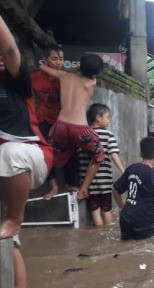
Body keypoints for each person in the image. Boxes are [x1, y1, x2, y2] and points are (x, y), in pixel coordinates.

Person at [0, 14, 53, 283]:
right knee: (10, 244)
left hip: (30, 158)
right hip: (5, 174)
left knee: (9, 153)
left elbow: (9, 49)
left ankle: (14, 217)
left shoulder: (18, 84)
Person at [40, 53, 105, 199]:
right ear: (95, 73)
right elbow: (92, 75)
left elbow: (43, 67)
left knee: (50, 154)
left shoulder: (64, 76)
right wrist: (80, 69)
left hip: (60, 125)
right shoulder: (91, 83)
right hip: (80, 128)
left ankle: (54, 187)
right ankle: (83, 189)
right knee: (99, 155)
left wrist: (75, 69)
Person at [32, 45, 79, 200]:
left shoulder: (66, 77)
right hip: (44, 119)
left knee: (72, 149)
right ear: (45, 60)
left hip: (64, 120)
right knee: (44, 151)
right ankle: (53, 186)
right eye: (54, 58)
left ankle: (70, 183)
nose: (59, 62)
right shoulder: (35, 77)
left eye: (61, 59)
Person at [79, 103, 125, 226]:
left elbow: (79, 157)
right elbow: (114, 155)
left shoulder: (84, 135)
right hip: (105, 183)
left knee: (95, 211)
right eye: (107, 117)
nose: (109, 120)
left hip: (89, 183)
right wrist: (123, 171)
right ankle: (107, 234)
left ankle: (99, 232)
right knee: (106, 210)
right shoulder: (108, 135)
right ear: (98, 118)